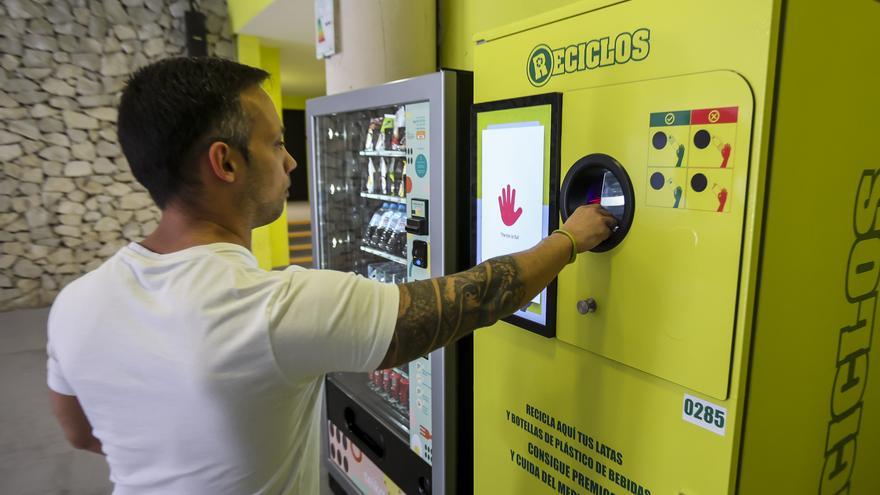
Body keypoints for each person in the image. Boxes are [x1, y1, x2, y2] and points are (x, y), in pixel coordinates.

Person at [47, 57, 616, 494]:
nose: (291, 161)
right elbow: (468, 302)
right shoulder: (272, 309)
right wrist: (571, 237)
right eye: (274, 143)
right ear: (225, 162)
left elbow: (80, 432)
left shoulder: (76, 303)